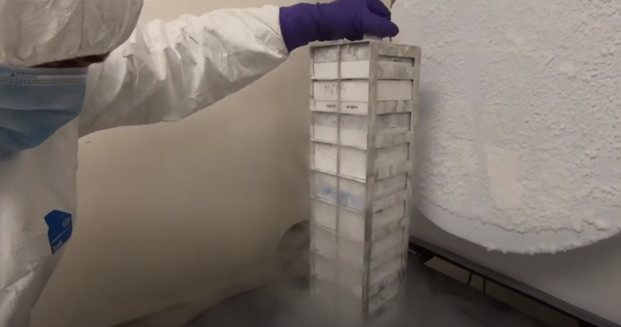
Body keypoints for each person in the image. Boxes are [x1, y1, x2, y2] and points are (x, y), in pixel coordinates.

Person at [0, 0, 398, 325]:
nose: (77, 79)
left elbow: (162, 61)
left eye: (90, 59)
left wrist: (290, 24)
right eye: (58, 66)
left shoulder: (41, 74)